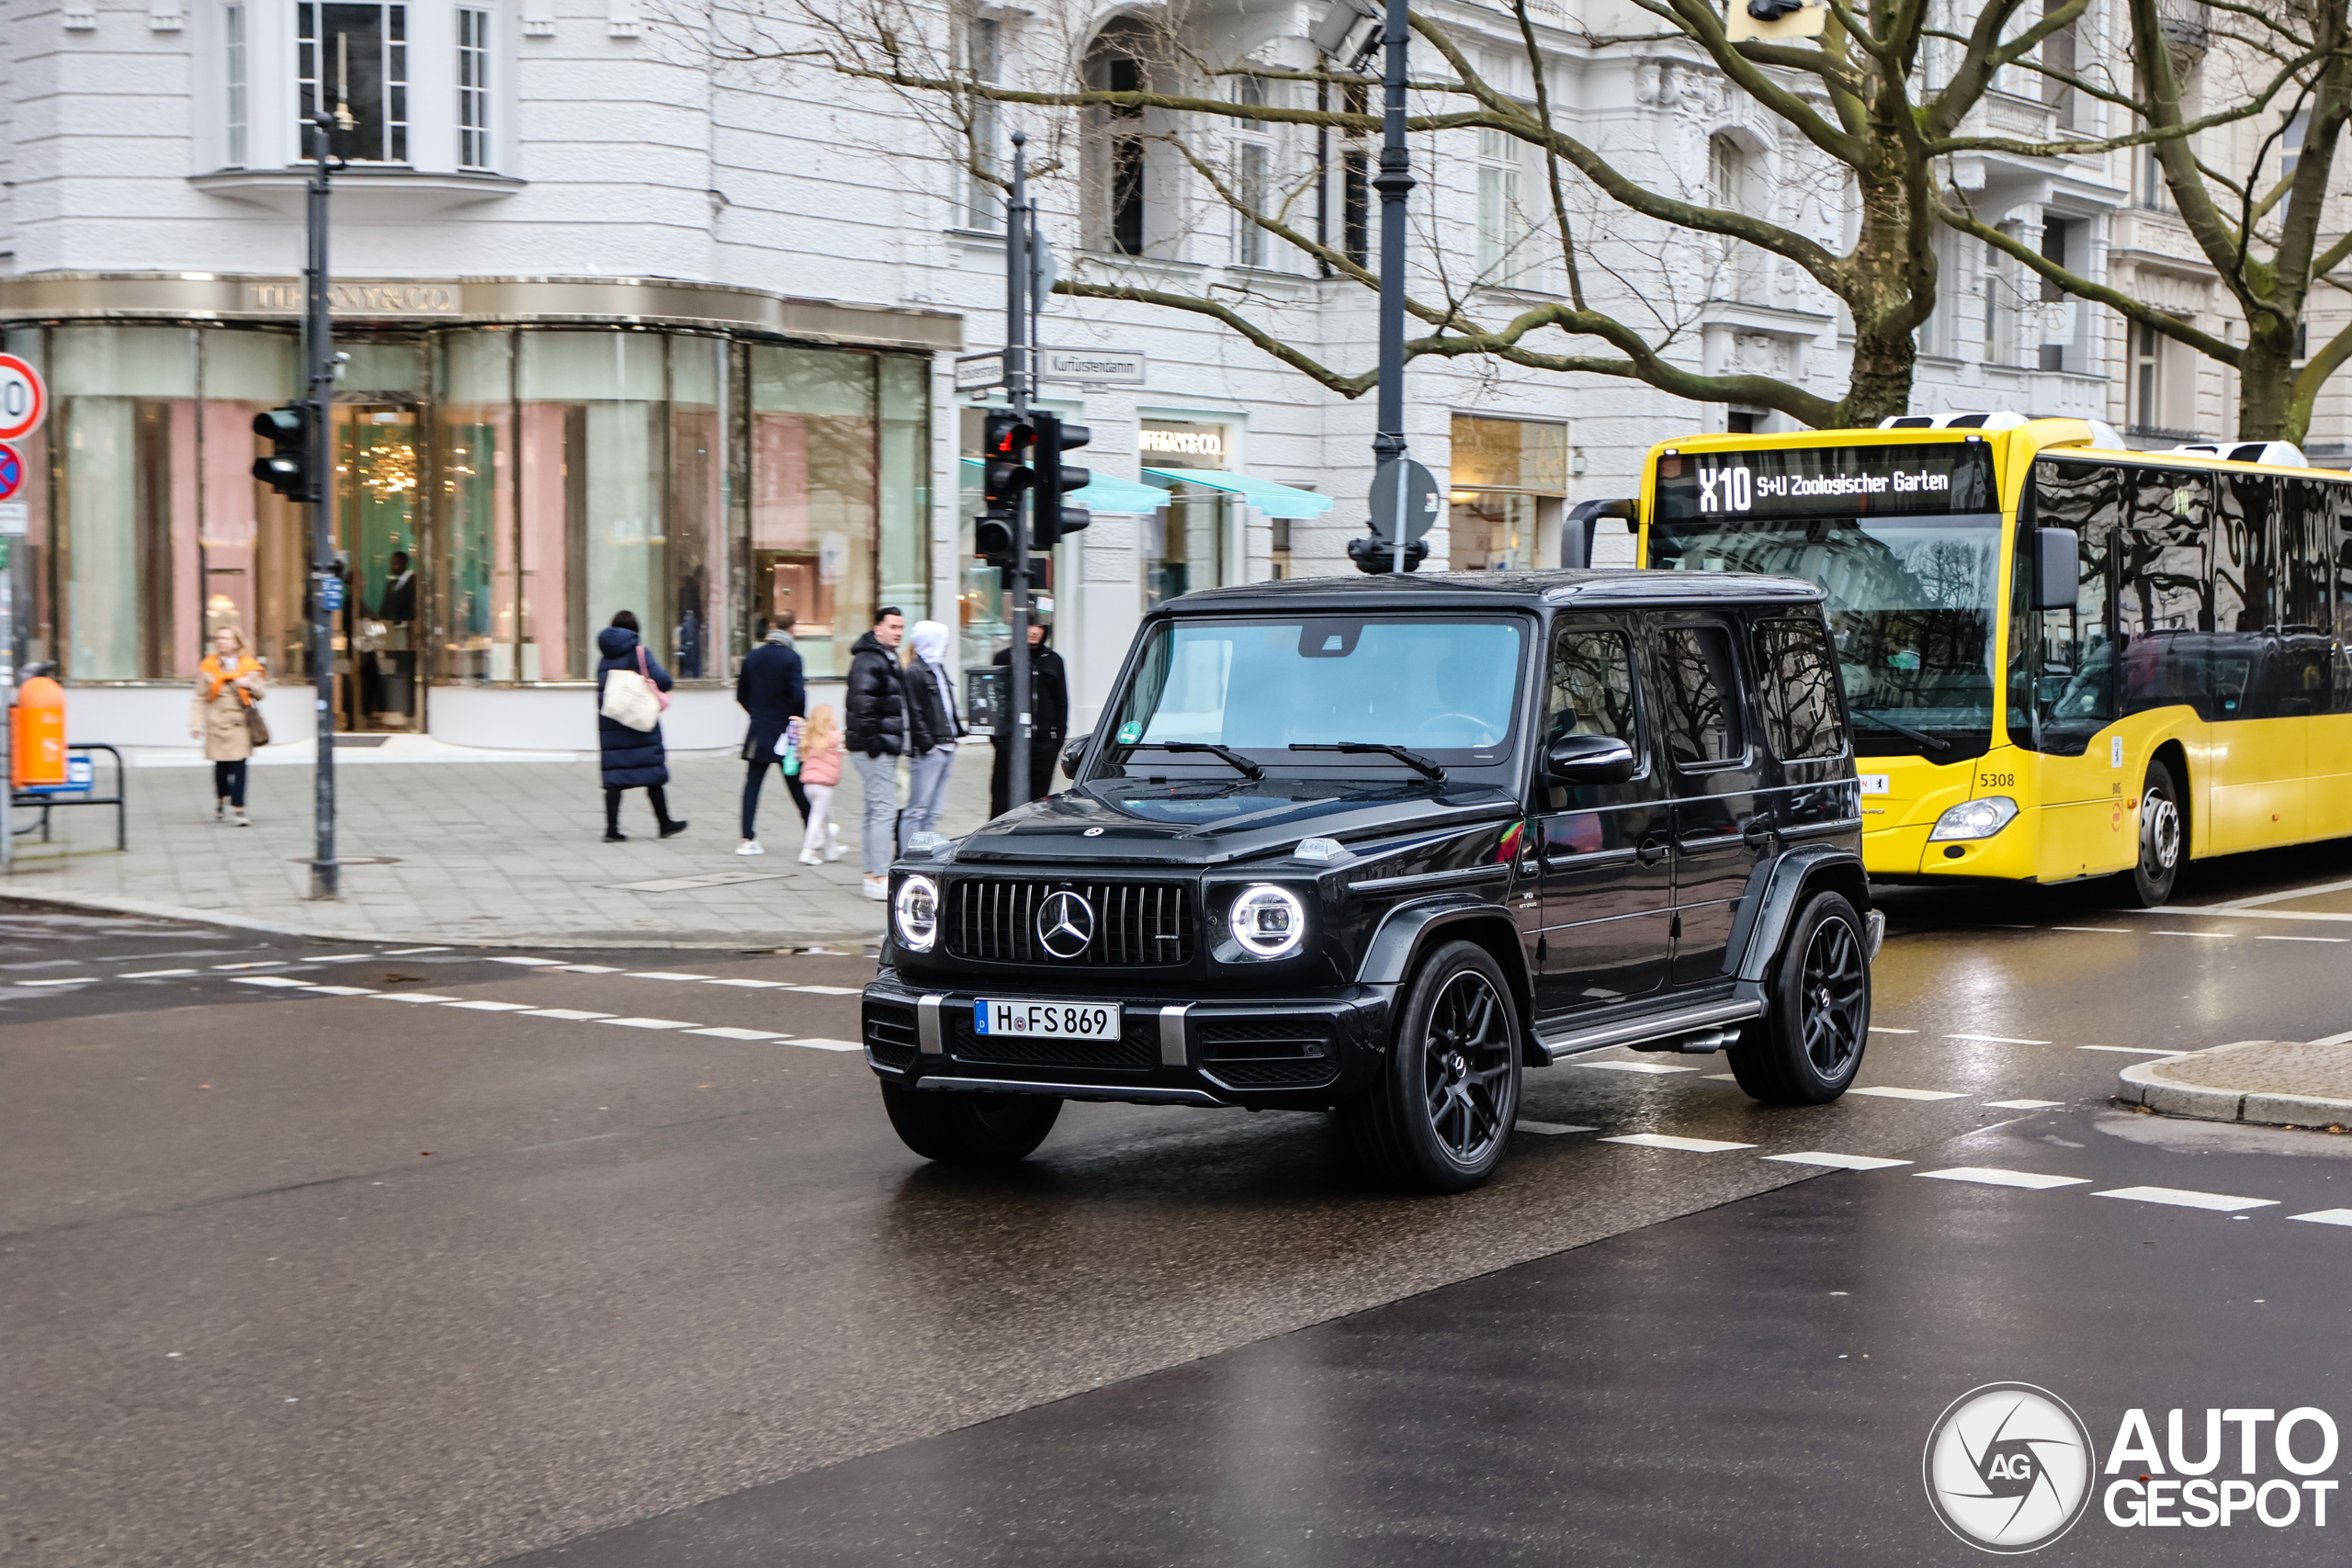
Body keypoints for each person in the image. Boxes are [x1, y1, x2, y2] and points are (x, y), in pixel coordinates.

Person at [594, 610, 688, 842]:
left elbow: (603, 691)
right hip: (639, 719)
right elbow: (664, 681)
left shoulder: (604, 657)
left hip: (613, 721)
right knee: (652, 772)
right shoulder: (640, 653)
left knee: (614, 774)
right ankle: (664, 823)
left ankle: (611, 829)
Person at [843, 605, 909, 901]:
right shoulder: (871, 659)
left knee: (874, 810)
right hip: (876, 747)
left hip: (878, 744)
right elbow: (862, 704)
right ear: (877, 628)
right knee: (883, 810)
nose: (898, 633)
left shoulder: (882, 657)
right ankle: (880, 875)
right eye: (892, 627)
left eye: (900, 628)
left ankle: (873, 875)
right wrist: (873, 745)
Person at [734, 612, 807, 856]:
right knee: (796, 783)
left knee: (753, 783)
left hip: (759, 729)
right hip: (785, 731)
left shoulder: (753, 656)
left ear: (773, 627)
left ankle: (747, 837)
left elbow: (741, 694)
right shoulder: (791, 658)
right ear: (792, 629)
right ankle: (813, 831)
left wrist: (757, 713)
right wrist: (796, 719)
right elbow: (798, 696)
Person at [989, 618, 1068, 818]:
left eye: (1039, 627)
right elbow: (995, 699)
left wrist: (1056, 740)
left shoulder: (1054, 660)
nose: (1034, 631)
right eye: (1029, 625)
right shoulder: (1005, 657)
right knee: (1002, 803)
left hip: (1043, 745)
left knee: (1037, 805)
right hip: (1011, 745)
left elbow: (1061, 702)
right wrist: (999, 740)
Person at [189, 625, 266, 826]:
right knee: (222, 768)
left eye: (226, 638)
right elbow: (199, 698)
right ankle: (221, 798)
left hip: (240, 724)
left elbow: (262, 693)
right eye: (219, 638)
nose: (221, 641)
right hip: (216, 724)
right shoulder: (209, 667)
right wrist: (196, 724)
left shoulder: (249, 666)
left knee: (239, 766)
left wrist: (249, 684)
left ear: (236, 643)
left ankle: (239, 809)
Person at [902, 619, 964, 848]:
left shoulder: (938, 668)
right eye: (943, 640)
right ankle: (908, 855)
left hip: (947, 743)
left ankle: (925, 851)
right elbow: (914, 711)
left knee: (934, 810)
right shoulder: (915, 672)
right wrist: (928, 745)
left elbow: (947, 706)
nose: (946, 645)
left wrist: (955, 735)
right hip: (932, 748)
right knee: (917, 808)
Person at [793, 705, 844, 866]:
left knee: (826, 815)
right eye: (833, 717)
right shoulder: (836, 738)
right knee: (817, 817)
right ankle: (808, 850)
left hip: (808, 785)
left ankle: (831, 848)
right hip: (824, 786)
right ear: (828, 721)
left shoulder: (808, 738)